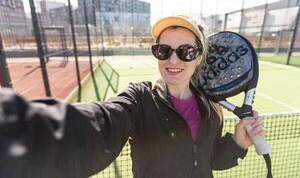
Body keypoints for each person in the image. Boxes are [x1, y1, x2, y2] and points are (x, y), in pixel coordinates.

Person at [0, 15, 265, 178]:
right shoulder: (140, 99)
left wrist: (237, 144)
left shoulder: (210, 107)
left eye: (186, 51)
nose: (173, 59)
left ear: (199, 58)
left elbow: (209, 161)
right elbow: (99, 123)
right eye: (163, 50)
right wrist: (16, 126)